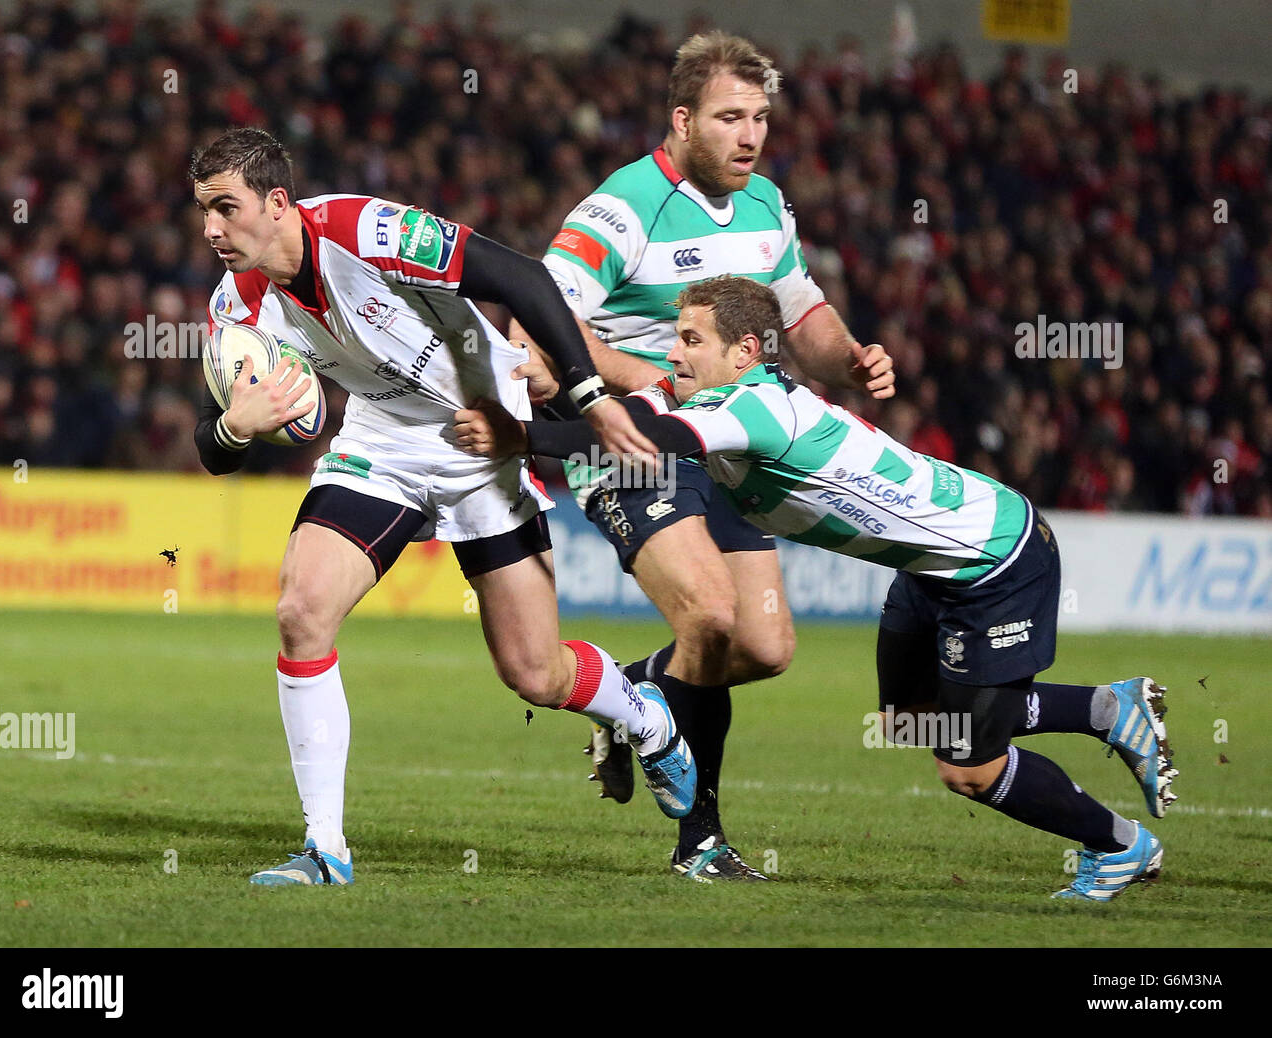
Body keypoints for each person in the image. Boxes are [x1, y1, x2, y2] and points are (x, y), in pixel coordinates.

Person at [457, 275, 1179, 901]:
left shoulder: (755, 411)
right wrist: (558, 398)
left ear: (744, 353)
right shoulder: (737, 399)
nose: (671, 352)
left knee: (968, 767)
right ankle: (1106, 708)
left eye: (689, 340)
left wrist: (520, 437)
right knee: (910, 720)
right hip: (933, 569)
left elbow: (641, 436)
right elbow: (640, 406)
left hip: (993, 563)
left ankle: (1119, 846)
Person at [190, 127, 697, 885]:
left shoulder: (368, 232)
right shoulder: (236, 306)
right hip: (381, 445)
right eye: (202, 211)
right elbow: (212, 450)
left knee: (534, 674)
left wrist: (586, 396)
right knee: (302, 611)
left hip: (486, 434)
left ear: (276, 203)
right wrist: (237, 425)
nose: (210, 229)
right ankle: (325, 849)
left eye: (225, 209)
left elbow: (523, 277)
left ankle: (644, 716)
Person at [509, 31, 895, 882]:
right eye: (729, 118)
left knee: (763, 647)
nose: (750, 136)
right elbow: (533, 322)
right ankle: (702, 844)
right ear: (682, 121)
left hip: (729, 448)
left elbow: (803, 319)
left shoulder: (766, 208)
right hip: (633, 443)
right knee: (710, 619)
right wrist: (632, 373)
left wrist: (855, 359)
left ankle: (629, 700)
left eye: (760, 118)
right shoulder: (622, 209)